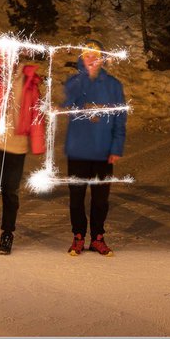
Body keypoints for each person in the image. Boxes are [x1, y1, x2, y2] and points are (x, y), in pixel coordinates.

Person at [0, 57, 46, 255]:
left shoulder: (30, 80)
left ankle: (7, 234)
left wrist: (38, 144)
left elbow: (36, 114)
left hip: (17, 144)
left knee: (10, 191)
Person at [63, 40, 127, 257]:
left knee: (100, 199)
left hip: (102, 150)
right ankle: (78, 236)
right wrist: (83, 79)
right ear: (82, 58)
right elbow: (66, 102)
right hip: (78, 149)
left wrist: (116, 147)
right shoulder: (74, 82)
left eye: (95, 55)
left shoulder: (113, 85)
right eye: (87, 55)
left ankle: (97, 237)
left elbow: (120, 117)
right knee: (77, 197)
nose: (91, 59)